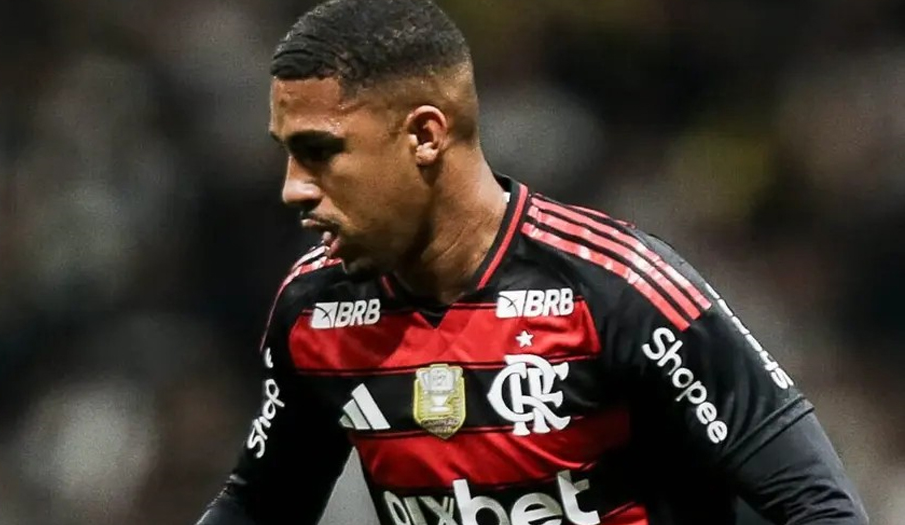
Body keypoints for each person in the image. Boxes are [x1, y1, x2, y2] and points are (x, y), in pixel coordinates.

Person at [193, 0, 869, 524]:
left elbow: (818, 507)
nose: (294, 188)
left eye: (320, 151)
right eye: (288, 153)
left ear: (425, 135)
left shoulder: (619, 289)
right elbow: (258, 505)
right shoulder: (315, 312)